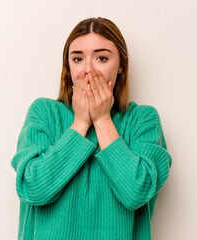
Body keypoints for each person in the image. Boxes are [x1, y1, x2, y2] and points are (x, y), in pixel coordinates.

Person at [10, 17, 172, 240]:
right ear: (68, 66)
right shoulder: (44, 113)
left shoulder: (143, 120)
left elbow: (136, 192)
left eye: (101, 58)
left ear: (121, 66)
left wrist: (102, 118)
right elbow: (34, 188)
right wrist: (81, 122)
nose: (88, 71)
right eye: (77, 58)